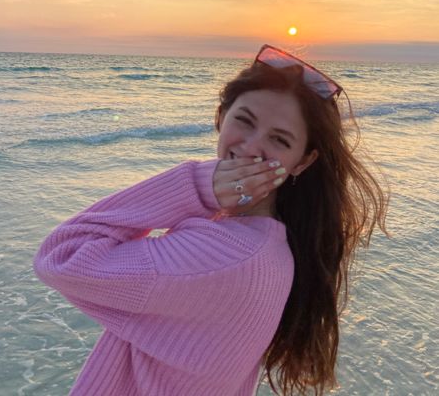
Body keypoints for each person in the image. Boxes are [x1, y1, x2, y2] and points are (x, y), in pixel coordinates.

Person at [34, 44, 388, 395]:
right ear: (221, 116)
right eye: (244, 121)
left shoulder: (220, 254)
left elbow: (62, 256)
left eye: (278, 140)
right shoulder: (273, 249)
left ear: (302, 162)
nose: (250, 147)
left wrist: (196, 185)